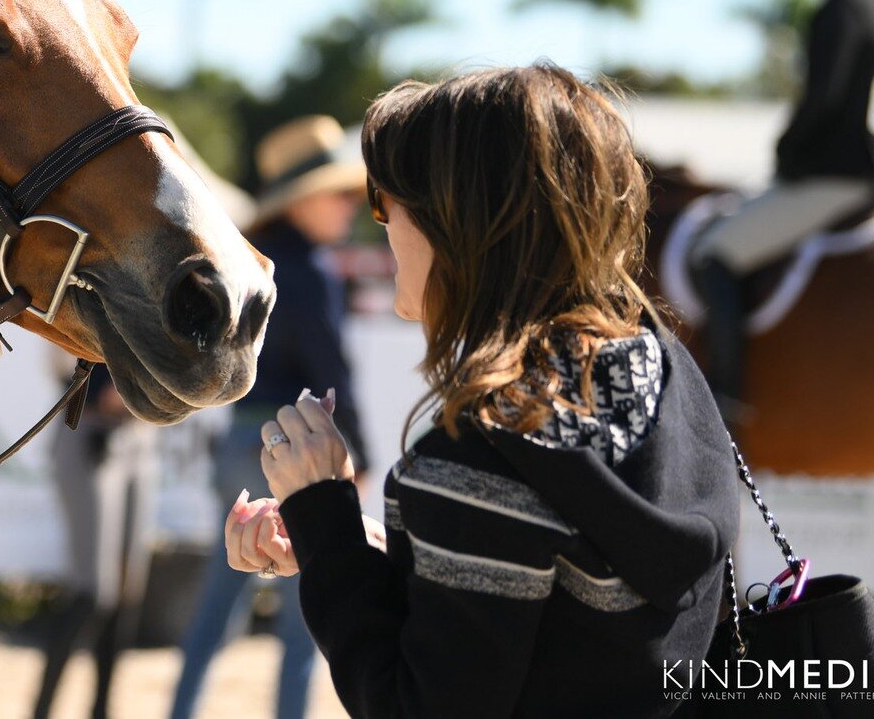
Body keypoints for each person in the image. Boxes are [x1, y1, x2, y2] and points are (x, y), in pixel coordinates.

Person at [225, 66, 741, 718]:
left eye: (384, 202)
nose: (378, 226)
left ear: (455, 220)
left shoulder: (482, 448)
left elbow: (414, 703)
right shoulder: (662, 362)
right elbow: (564, 601)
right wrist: (349, 545)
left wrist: (323, 512)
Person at [169, 115, 365, 719]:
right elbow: (334, 369)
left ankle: (180, 711)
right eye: (341, 193)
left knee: (219, 599)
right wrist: (358, 455)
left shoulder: (250, 262)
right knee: (307, 608)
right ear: (305, 199)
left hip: (235, 440)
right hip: (292, 451)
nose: (351, 206)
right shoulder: (310, 272)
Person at [689, 0, 874, 414]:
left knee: (714, 254)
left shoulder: (839, 10)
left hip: (838, 177)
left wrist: (788, 154)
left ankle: (726, 400)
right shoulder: (871, 4)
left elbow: (823, 101)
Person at [31, 363, 159, 719]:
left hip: (139, 433)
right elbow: (53, 349)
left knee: (125, 590)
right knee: (92, 591)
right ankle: (40, 711)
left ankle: (102, 710)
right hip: (88, 425)